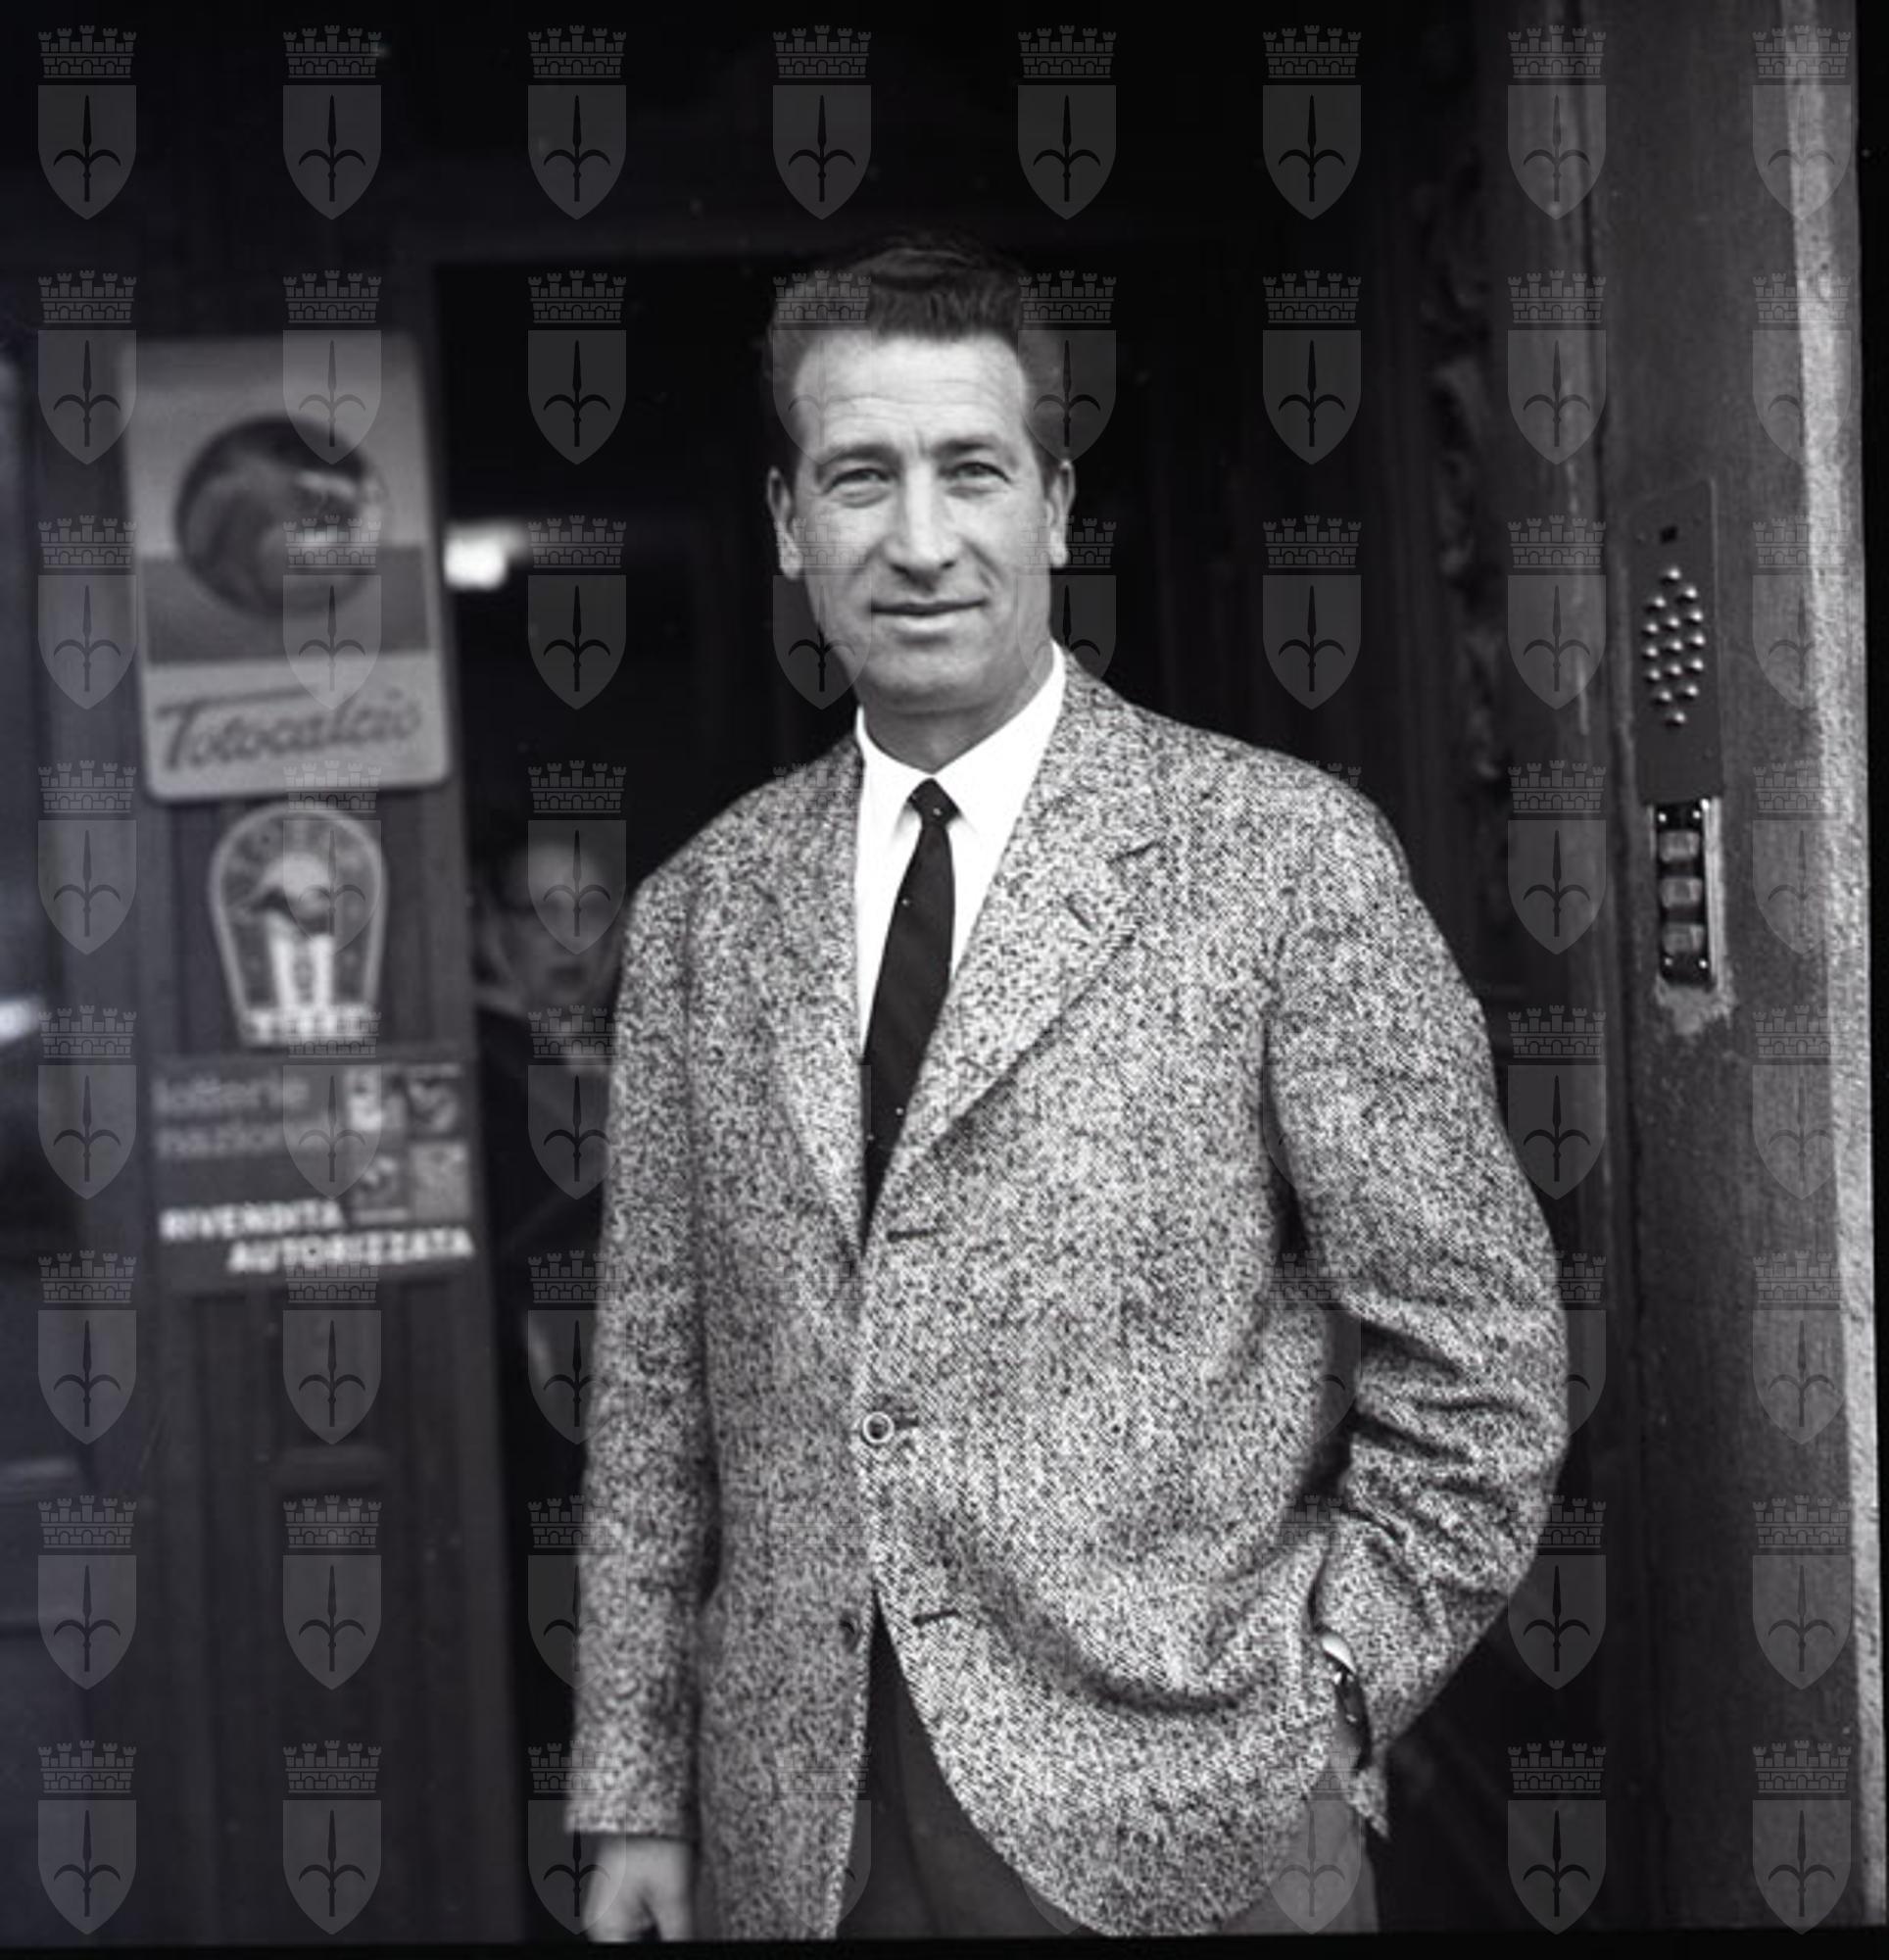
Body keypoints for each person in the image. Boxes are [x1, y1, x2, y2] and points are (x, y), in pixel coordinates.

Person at [564, 233, 1568, 1939]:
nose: (920, 539)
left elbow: (1483, 1356)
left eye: (973, 470)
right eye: (861, 477)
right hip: (804, 1843)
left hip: (1207, 1825)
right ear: (788, 522)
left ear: (1058, 507)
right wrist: (636, 1795)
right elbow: (658, 1406)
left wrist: (1329, 1695)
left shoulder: (1280, 859)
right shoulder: (700, 916)